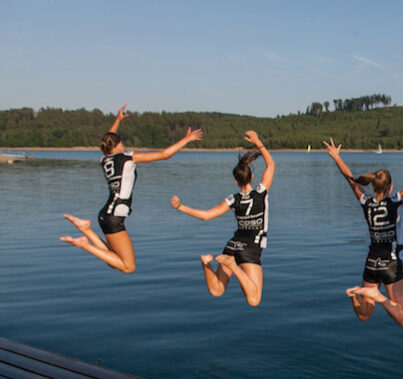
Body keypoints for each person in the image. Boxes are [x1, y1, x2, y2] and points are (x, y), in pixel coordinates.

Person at [60, 104, 203, 273]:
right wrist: (186, 139)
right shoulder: (127, 159)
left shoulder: (104, 159)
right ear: (119, 143)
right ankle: (84, 243)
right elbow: (165, 154)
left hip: (107, 214)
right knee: (128, 267)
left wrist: (117, 121)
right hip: (114, 217)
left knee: (113, 259)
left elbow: (109, 138)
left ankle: (86, 230)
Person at [323, 137, 403, 327]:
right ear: (390, 186)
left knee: (364, 315)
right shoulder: (395, 201)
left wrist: (337, 157)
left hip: (372, 261)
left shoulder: (366, 201)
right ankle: (377, 297)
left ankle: (356, 296)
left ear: (373, 186)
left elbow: (351, 180)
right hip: (391, 262)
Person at [170, 131, 274, 307]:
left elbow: (206, 216)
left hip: (232, 245)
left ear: (235, 181)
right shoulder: (261, 193)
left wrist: (181, 206)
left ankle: (206, 264)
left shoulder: (233, 200)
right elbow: (270, 165)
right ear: (252, 177)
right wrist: (258, 142)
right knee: (254, 300)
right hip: (251, 247)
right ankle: (233, 266)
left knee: (217, 290)